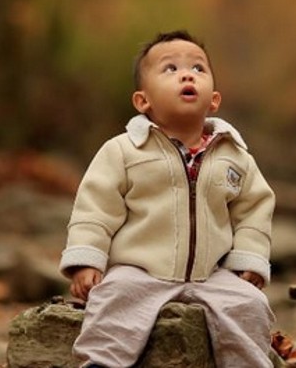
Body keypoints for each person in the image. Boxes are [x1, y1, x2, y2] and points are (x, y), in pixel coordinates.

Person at [60, 30, 276, 368]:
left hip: (212, 273)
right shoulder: (124, 150)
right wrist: (88, 259)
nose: (187, 74)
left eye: (198, 69)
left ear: (214, 100)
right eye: (170, 69)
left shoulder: (235, 156)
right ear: (143, 101)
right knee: (113, 300)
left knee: (249, 305)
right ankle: (101, 363)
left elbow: (254, 210)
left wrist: (249, 259)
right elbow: (96, 207)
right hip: (139, 268)